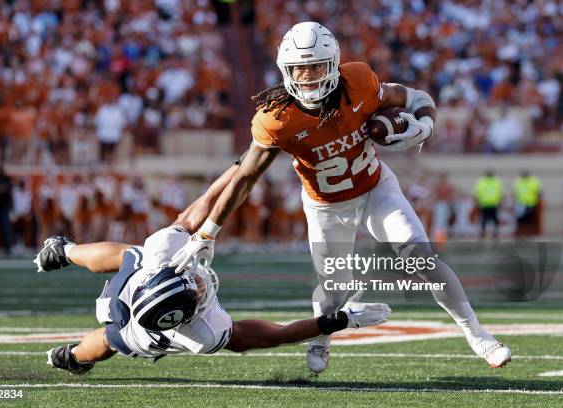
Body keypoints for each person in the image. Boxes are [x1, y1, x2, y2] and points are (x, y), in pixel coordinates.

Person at [170, 22, 511, 373]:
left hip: (376, 187)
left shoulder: (359, 80)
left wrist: (424, 124)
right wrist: (208, 232)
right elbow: (246, 176)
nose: (308, 76)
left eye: (316, 65)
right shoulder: (277, 118)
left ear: (333, 63)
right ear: (285, 71)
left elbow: (416, 98)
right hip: (325, 206)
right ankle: (322, 335)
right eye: (299, 68)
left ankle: (477, 334)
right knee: (333, 292)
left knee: (420, 257)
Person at [34, 164, 390, 374]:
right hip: (141, 328)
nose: (200, 284)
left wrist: (238, 168)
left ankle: (65, 251)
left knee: (131, 254)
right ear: (189, 314)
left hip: (140, 295)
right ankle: (69, 356)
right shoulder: (203, 332)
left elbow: (196, 210)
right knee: (109, 339)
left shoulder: (161, 259)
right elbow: (275, 335)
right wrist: (340, 321)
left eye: (190, 283)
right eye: (196, 291)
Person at [474, 169, 505, 239]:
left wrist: (500, 201)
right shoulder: (481, 182)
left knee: (494, 219)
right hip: (484, 204)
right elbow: (477, 193)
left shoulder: (496, 182)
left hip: (493, 204)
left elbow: (500, 193)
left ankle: (495, 232)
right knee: (484, 219)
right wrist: (477, 202)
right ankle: (483, 232)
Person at [513, 170, 542, 237]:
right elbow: (515, 192)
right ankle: (521, 234)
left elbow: (538, 192)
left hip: (530, 203)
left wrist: (537, 201)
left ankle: (528, 233)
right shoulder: (518, 182)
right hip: (520, 204)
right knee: (521, 220)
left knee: (529, 219)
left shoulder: (533, 182)